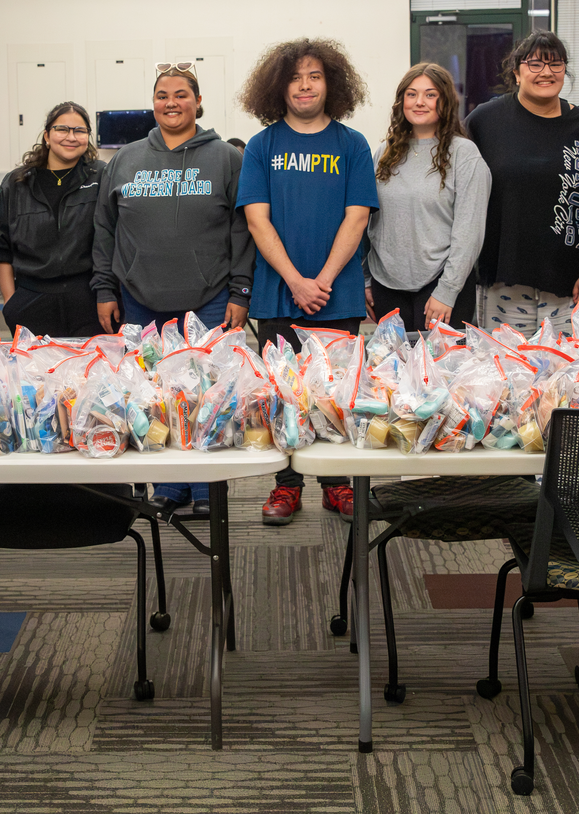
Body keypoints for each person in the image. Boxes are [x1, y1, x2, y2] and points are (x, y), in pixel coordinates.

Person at [92, 63, 254, 515]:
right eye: (163, 95)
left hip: (212, 298)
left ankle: (205, 486)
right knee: (153, 392)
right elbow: (105, 229)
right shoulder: (125, 159)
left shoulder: (227, 158)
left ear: (198, 102)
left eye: (181, 94)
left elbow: (244, 232)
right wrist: (105, 288)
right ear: (154, 103)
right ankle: (168, 481)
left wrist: (241, 292)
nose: (171, 103)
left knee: (207, 392)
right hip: (140, 299)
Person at [237, 38, 378, 525]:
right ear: (279, 87)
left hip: (336, 294)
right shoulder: (262, 146)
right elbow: (258, 221)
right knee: (284, 396)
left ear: (331, 84)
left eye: (314, 76)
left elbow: (356, 218)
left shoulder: (352, 145)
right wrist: (297, 281)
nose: (304, 85)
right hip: (278, 293)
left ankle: (336, 483)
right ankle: (286, 486)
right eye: (295, 77)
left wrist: (322, 280)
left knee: (334, 396)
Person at [464, 31, 579, 335]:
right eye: (535, 64)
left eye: (555, 64)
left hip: (570, 283)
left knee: (567, 375)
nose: (546, 72)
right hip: (502, 278)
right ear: (517, 73)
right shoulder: (484, 121)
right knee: (506, 368)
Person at [366, 63, 491, 331]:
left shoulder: (464, 155)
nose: (419, 102)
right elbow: (368, 223)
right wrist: (366, 280)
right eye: (411, 94)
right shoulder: (384, 153)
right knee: (391, 371)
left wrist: (447, 291)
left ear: (445, 101)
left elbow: (469, 232)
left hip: (441, 288)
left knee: (438, 372)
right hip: (386, 287)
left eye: (430, 94)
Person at [0, 102, 105, 338]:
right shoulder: (17, 183)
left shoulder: (101, 176)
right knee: (36, 372)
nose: (71, 137)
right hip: (31, 298)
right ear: (47, 136)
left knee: (90, 371)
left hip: (88, 298)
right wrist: (11, 304)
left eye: (79, 131)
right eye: (62, 129)